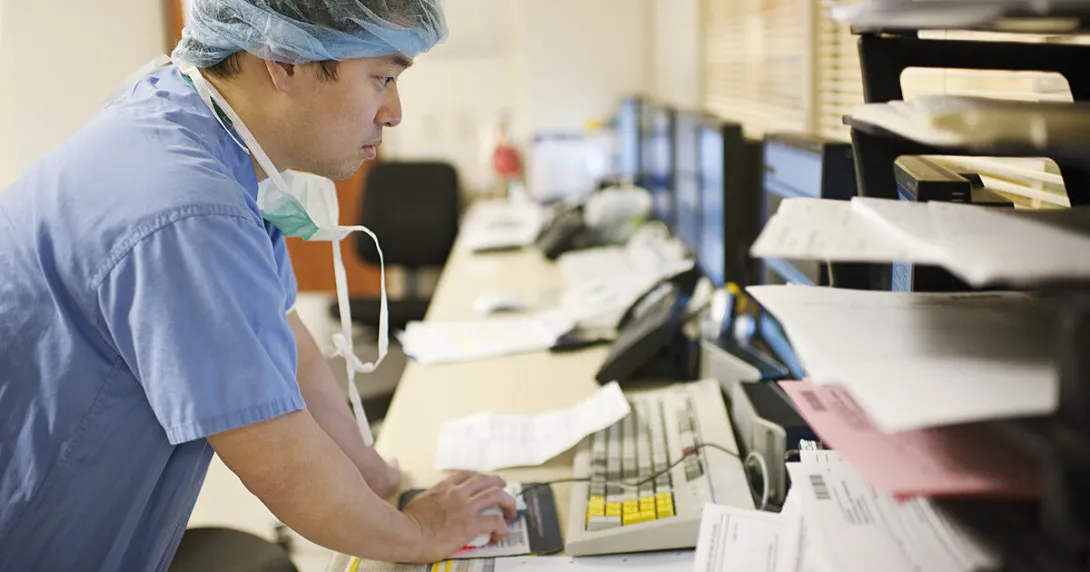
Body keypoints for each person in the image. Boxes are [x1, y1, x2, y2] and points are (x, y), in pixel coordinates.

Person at [0, 1, 515, 569]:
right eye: (382, 78)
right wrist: (418, 534)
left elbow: (290, 351)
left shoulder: (198, 129)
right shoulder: (188, 205)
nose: (393, 112)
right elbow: (278, 458)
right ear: (284, 60)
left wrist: (379, 481)